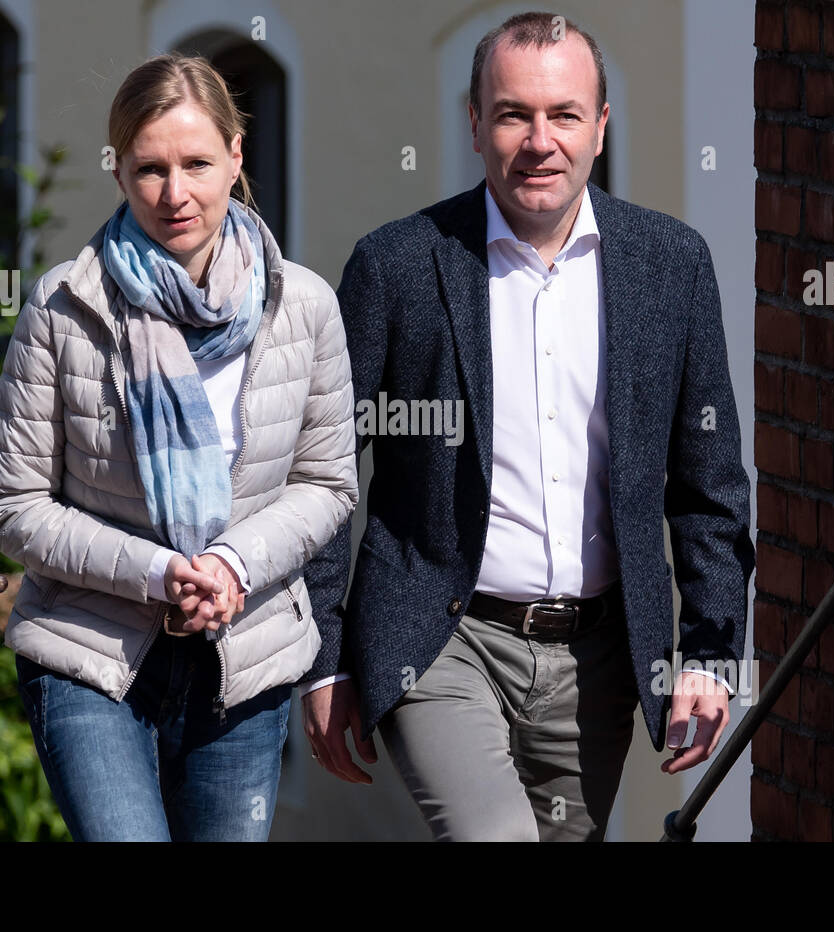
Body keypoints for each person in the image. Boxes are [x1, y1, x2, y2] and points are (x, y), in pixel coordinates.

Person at [300, 11, 755, 841]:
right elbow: (324, 474)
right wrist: (322, 661)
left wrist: (715, 654)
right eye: (513, 114)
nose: (539, 141)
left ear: (600, 126)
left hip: (603, 660)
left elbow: (710, 484)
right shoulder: (396, 266)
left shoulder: (672, 265)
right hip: (443, 637)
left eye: (564, 115)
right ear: (474, 125)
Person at [0, 53, 357, 841]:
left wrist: (230, 566)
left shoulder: (306, 306)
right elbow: (11, 504)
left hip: (245, 655)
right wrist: (158, 572)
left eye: (196, 164)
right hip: (91, 652)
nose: (174, 193)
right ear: (117, 170)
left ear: (237, 157)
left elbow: (326, 483)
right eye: (149, 168)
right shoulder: (63, 305)